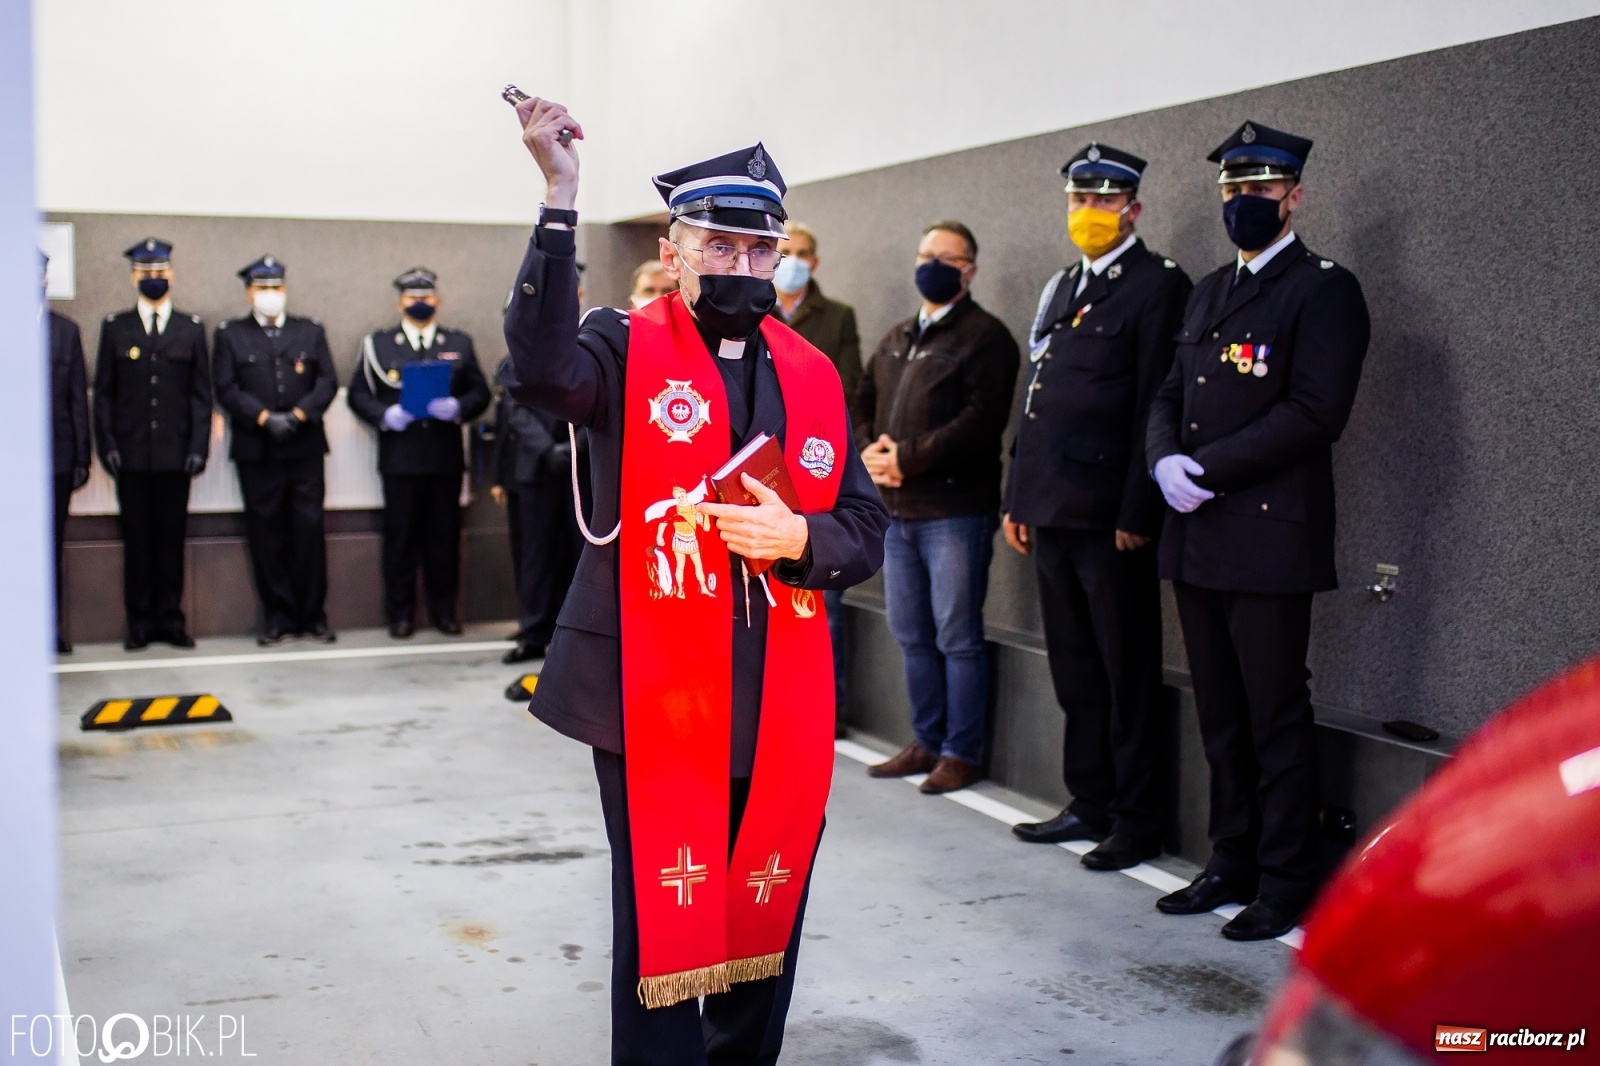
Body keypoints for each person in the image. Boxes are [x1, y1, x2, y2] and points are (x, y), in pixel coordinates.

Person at [505, 95, 887, 1066]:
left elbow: (863, 529)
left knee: (766, 911)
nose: (742, 266)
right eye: (718, 245)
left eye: (760, 250)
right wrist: (559, 200)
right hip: (651, 691)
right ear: (673, 252)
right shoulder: (621, 344)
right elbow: (542, 371)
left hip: (775, 694)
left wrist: (799, 534)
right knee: (662, 918)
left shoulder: (813, 374)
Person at [1146, 121, 1370, 941]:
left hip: (1269, 536)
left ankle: (1286, 879)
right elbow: (1169, 392)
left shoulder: (1323, 289)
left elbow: (1315, 411)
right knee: (1219, 713)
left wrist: (1205, 469)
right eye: (1234, 189)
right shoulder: (1210, 289)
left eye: (1261, 189)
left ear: (1294, 196)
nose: (1244, 201)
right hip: (1197, 534)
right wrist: (1162, 459)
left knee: (1274, 714)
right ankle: (1229, 858)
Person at [1002, 144, 1193, 871]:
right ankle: (1089, 800)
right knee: (1075, 669)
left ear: (1133, 209)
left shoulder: (1157, 284)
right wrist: (1019, 495)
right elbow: (1039, 397)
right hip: (1049, 508)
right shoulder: (1063, 285)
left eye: (1104, 200)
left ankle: (1137, 819)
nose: (1089, 212)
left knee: (1125, 672)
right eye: (1080, 200)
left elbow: (1154, 402)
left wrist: (1139, 510)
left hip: (1110, 516)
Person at [855, 221, 1020, 794]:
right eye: (925, 254)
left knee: (957, 636)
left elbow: (981, 422)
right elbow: (862, 398)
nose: (931, 265)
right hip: (896, 512)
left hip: (954, 512)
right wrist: (870, 452)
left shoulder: (986, 337)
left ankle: (960, 751)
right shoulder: (899, 335)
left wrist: (907, 457)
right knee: (911, 633)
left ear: (968, 269)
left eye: (945, 258)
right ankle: (925, 740)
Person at [347, 268, 490, 638]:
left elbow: (480, 392)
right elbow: (358, 394)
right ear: (400, 303)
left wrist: (458, 407)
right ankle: (401, 615)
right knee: (401, 540)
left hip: (444, 458)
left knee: (444, 539)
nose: (420, 303)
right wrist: (384, 415)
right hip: (400, 458)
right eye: (413, 297)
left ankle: (445, 613)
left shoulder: (458, 342)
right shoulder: (379, 344)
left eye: (426, 297)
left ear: (437, 301)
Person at [212, 255, 338, 645]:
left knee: (309, 532)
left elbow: (327, 381)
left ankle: (313, 616)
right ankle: (278, 617)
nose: (271, 294)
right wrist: (264, 417)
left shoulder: (309, 331)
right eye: (263, 288)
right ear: (249, 293)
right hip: (258, 449)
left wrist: (299, 415)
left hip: (304, 446)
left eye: (276, 287)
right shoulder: (230, 334)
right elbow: (226, 387)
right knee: (266, 535)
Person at [93, 238, 211, 650]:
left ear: (171, 275)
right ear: (133, 278)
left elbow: (201, 395)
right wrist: (107, 445)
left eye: (160, 272)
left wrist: (198, 447)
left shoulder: (190, 328)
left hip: (176, 455)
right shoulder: (116, 327)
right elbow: (104, 394)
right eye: (146, 273)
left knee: (171, 540)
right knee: (138, 541)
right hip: (130, 455)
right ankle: (140, 622)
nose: (154, 279)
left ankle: (170, 620)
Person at [772, 221, 863, 735]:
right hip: (763, 470)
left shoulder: (837, 317)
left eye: (803, 252)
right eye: (786, 251)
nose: (793, 261)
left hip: (814, 468)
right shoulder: (753, 312)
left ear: (816, 261)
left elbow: (846, 388)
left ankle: (827, 706)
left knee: (823, 603)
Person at [490, 361, 581, 665]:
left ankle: (578, 636)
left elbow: (602, 403)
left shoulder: (590, 345)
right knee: (536, 558)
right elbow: (514, 410)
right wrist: (547, 450)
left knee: (581, 555)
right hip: (535, 466)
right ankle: (533, 635)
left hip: (581, 465)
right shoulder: (520, 355)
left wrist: (575, 447)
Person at [43, 251, 90, 654]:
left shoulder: (65, 331)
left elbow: (77, 398)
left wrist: (81, 456)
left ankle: (49, 626)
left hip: (55, 459)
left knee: (51, 545)